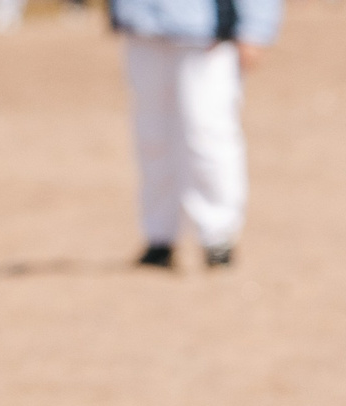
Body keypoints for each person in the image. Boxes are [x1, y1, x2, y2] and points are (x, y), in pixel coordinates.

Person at [108, 0, 280, 270]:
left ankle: (218, 236)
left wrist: (256, 28)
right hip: (141, 24)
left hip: (205, 29)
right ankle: (159, 239)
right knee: (152, 136)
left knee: (207, 134)